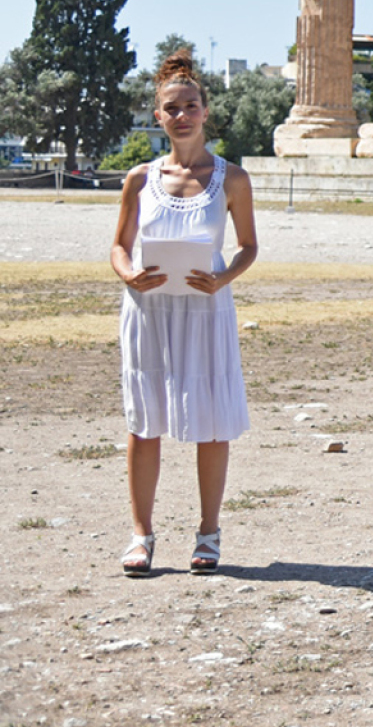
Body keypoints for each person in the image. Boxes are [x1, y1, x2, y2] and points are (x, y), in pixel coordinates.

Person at [111, 50, 257, 575]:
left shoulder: (232, 178)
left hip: (206, 310)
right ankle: (141, 536)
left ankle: (209, 534)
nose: (182, 115)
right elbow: (119, 247)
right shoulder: (139, 178)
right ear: (158, 117)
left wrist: (222, 277)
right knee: (143, 422)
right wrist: (128, 274)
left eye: (190, 105)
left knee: (210, 421)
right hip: (148, 312)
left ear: (205, 110)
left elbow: (248, 247)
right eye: (172, 108)